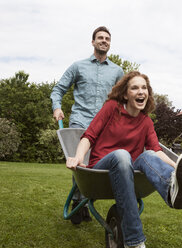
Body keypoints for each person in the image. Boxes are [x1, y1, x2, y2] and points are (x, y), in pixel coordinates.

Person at [66, 71, 182, 248]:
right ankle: (135, 241)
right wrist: (78, 157)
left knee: (148, 155)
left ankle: (171, 188)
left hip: (126, 171)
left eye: (144, 88)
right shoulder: (112, 108)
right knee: (122, 154)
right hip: (101, 170)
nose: (141, 91)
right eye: (134, 88)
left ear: (148, 94)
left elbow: (156, 152)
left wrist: (179, 168)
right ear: (125, 94)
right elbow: (88, 136)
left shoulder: (146, 122)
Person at [51, 26, 124, 224]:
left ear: (110, 43)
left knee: (99, 165)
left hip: (105, 125)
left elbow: (125, 99)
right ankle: (78, 203)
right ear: (93, 42)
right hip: (80, 121)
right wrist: (57, 108)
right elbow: (58, 90)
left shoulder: (118, 71)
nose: (104, 41)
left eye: (107, 38)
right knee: (80, 162)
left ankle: (85, 202)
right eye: (100, 38)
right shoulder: (78, 66)